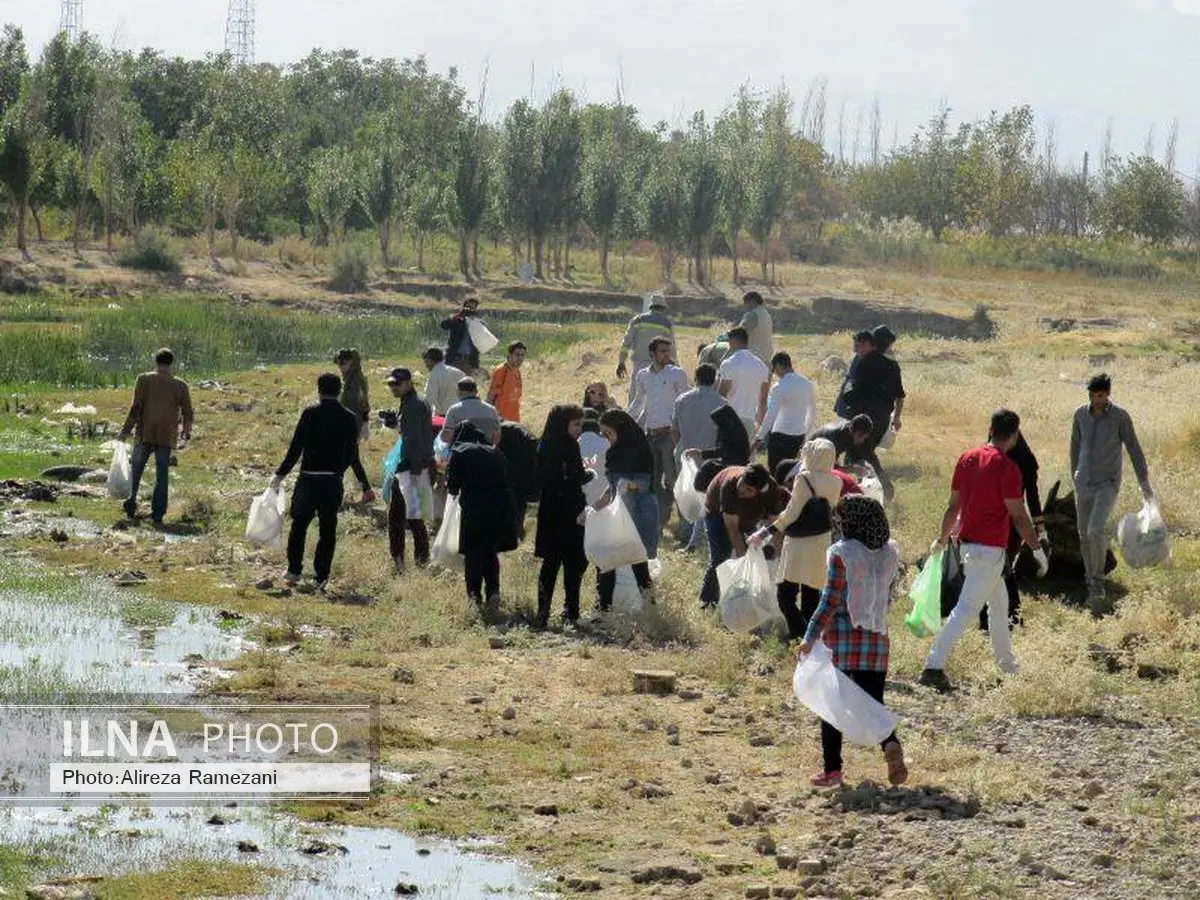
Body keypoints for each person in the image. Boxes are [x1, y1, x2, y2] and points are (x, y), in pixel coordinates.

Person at [919, 409, 1048, 693]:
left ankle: (1007, 665)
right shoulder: (1007, 468)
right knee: (966, 609)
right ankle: (933, 666)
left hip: (971, 546)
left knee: (999, 606)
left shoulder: (967, 458)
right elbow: (1018, 515)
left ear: (990, 428)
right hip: (989, 550)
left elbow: (953, 507)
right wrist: (1037, 547)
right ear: (1014, 436)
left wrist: (941, 539)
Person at [795, 496, 907, 788]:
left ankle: (832, 770)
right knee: (872, 703)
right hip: (877, 640)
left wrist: (809, 637)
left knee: (833, 704)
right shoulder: (889, 553)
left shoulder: (841, 553)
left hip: (842, 641)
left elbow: (829, 600)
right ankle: (890, 744)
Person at [272, 373, 375, 589]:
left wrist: (280, 474)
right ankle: (321, 577)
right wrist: (365, 485)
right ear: (339, 391)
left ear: (319, 390)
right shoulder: (348, 418)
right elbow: (353, 455)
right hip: (332, 482)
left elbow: (296, 448)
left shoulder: (310, 414)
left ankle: (294, 571)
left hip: (308, 479)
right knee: (327, 530)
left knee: (299, 526)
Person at [1069, 373, 1152, 614]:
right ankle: (1089, 579)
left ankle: (1097, 587)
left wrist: (1144, 485)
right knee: (1084, 535)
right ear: (1089, 394)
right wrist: (1075, 474)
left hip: (1107, 483)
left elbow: (1134, 449)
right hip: (1083, 482)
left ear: (1108, 394)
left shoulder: (1119, 417)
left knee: (1096, 529)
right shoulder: (1080, 415)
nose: (1098, 400)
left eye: (1102, 395)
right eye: (1094, 395)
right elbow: (1075, 446)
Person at [750, 439, 843, 641]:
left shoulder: (804, 478)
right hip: (822, 543)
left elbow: (791, 514)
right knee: (812, 595)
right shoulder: (837, 481)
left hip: (799, 544)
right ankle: (811, 640)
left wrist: (763, 533)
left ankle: (799, 634)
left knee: (785, 595)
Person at [979, 431, 1047, 631]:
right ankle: (1008, 617)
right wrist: (1039, 530)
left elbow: (1032, 495)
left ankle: (998, 619)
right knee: (1001, 570)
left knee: (998, 570)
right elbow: (1032, 496)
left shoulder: (992, 457)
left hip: (1000, 521)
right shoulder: (1018, 459)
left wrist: (1040, 528)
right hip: (1005, 521)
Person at [118, 348, 194, 525]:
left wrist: (124, 431)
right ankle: (158, 513)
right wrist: (186, 431)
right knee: (162, 474)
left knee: (136, 471)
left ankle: (130, 504)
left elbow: (135, 408)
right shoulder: (180, 385)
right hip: (166, 435)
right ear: (171, 363)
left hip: (145, 432)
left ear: (156, 361)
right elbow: (188, 412)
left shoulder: (144, 380)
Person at [446, 421, 518, 606]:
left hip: (474, 509)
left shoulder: (459, 452)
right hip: (499, 509)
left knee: (473, 554)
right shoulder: (495, 452)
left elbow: (453, 488)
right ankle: (493, 591)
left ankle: (474, 595)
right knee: (490, 552)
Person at [594, 410, 660, 612]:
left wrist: (628, 485)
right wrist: (596, 507)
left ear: (620, 430)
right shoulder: (616, 453)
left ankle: (648, 608)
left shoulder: (639, 452)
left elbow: (644, 485)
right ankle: (604, 607)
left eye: (608, 433)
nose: (607, 439)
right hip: (619, 517)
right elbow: (615, 485)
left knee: (636, 564)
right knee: (608, 563)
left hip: (637, 517)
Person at [534, 405, 593, 627]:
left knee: (550, 564)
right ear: (564, 424)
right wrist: (587, 475)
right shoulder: (569, 446)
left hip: (550, 510)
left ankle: (543, 612)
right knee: (573, 563)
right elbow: (575, 477)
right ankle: (571, 611)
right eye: (576, 424)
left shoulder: (544, 445)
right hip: (570, 511)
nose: (579, 429)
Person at [698, 463, 787, 608]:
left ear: (760, 492)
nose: (742, 490)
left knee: (756, 549)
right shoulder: (730, 486)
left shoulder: (771, 492)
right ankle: (707, 601)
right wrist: (743, 563)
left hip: (749, 515)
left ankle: (753, 601)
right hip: (716, 512)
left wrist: (780, 559)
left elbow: (776, 525)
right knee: (721, 555)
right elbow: (733, 530)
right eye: (742, 484)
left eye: (749, 490)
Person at [833, 327, 905, 500]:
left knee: (863, 454)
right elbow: (900, 395)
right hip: (882, 420)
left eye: (858, 346)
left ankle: (881, 487)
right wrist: (896, 418)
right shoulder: (892, 365)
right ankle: (861, 490)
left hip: (864, 418)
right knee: (862, 452)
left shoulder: (863, 363)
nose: (855, 350)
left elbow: (853, 393)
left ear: (869, 344)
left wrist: (847, 403)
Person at [629, 337, 690, 530]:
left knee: (672, 479)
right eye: (662, 351)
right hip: (650, 434)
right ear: (652, 354)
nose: (667, 354)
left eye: (668, 350)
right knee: (653, 480)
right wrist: (623, 421)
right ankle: (658, 522)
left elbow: (685, 403)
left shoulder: (677, 374)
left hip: (670, 435)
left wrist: (679, 431)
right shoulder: (643, 375)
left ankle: (683, 524)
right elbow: (638, 403)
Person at [381, 368, 434, 574]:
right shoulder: (414, 402)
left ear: (409, 383)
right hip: (417, 465)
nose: (393, 387)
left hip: (411, 467)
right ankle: (420, 561)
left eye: (397, 384)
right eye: (391, 384)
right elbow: (414, 434)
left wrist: (411, 470)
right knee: (414, 516)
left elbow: (412, 441)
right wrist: (395, 424)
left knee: (398, 517)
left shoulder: (412, 405)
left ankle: (400, 561)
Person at [672, 363, 727, 548]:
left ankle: (686, 534)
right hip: (709, 458)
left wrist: (678, 448)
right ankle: (702, 538)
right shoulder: (722, 402)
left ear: (695, 378)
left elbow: (674, 430)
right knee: (706, 498)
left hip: (685, 453)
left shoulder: (681, 399)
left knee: (684, 494)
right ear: (715, 379)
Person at [755, 351, 817, 472]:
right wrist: (806, 433)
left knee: (775, 471)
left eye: (774, 370)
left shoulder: (779, 387)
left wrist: (759, 436)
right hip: (798, 435)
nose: (775, 373)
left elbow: (771, 415)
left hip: (780, 435)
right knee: (791, 472)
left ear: (778, 365)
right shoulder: (807, 384)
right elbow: (812, 412)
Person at [616, 295, 675, 401]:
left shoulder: (637, 320)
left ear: (651, 307)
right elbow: (671, 348)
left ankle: (632, 417)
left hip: (639, 364)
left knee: (636, 395)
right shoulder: (666, 323)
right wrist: (674, 365)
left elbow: (626, 343)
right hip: (659, 365)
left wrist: (621, 362)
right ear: (663, 308)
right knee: (655, 397)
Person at [717, 327, 770, 441]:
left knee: (729, 456)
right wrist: (760, 425)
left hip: (731, 418)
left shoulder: (729, 363)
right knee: (748, 457)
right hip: (751, 419)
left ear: (733, 341)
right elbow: (763, 399)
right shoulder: (761, 365)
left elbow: (721, 394)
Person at [498, 419, 540, 541]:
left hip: (512, 470)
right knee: (519, 505)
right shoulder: (517, 428)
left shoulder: (502, 429)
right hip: (523, 470)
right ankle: (517, 533)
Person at [441, 377, 501, 445]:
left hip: (461, 452)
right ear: (476, 391)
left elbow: (446, 437)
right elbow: (497, 438)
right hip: (486, 452)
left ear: (459, 392)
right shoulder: (492, 410)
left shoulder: (454, 410)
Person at [833, 331, 874, 420]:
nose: (854, 350)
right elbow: (849, 381)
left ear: (867, 345)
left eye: (857, 346)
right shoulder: (858, 358)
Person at [440, 296, 484, 372]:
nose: (470, 310)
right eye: (468, 307)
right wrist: (461, 315)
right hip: (455, 358)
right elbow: (444, 325)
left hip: (470, 360)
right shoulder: (457, 319)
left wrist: (476, 320)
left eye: (472, 308)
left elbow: (484, 339)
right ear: (463, 307)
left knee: (467, 383)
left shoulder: (478, 323)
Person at [335, 349, 371, 441]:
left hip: (353, 419)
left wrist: (365, 422)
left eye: (344, 363)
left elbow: (361, 401)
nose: (340, 367)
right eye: (339, 363)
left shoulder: (356, 380)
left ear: (352, 363)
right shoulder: (348, 378)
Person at [487, 341, 526, 423]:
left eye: (522, 355)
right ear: (509, 355)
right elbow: (491, 396)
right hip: (500, 421)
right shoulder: (501, 371)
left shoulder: (517, 371)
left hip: (514, 421)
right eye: (517, 355)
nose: (520, 358)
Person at [422, 347, 466, 418]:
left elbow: (429, 400)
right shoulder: (458, 372)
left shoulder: (434, 375)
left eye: (426, 361)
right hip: (460, 413)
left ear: (430, 360)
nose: (426, 365)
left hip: (444, 416)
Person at [737, 290, 774, 365]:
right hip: (767, 355)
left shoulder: (752, 315)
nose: (745, 306)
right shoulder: (766, 314)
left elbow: (739, 334)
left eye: (746, 303)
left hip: (753, 356)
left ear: (752, 301)